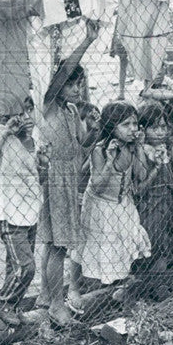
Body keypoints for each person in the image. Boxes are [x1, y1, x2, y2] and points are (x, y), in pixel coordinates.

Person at [37, 18, 101, 326]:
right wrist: (86, 42)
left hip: (69, 179)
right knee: (58, 246)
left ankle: (47, 297)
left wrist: (100, 130)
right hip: (54, 179)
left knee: (56, 245)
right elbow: (63, 70)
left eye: (80, 84)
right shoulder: (49, 104)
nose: (77, 89)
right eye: (72, 84)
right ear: (60, 85)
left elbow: (82, 146)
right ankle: (55, 304)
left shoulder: (74, 111)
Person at [69, 101, 152, 305]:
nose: (133, 128)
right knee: (87, 245)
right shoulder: (101, 149)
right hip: (100, 204)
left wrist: (139, 147)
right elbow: (97, 184)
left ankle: (116, 286)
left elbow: (141, 175)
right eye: (126, 124)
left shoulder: (132, 146)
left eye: (135, 123)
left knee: (125, 242)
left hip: (122, 203)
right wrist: (108, 161)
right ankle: (73, 286)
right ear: (111, 127)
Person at [0, 96, 40, 327]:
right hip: (10, 212)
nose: (26, 118)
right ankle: (1, 302)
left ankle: (11, 306)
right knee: (25, 267)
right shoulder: (0, 133)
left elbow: (36, 175)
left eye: (31, 111)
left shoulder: (35, 139)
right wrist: (6, 132)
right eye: (22, 112)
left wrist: (42, 161)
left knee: (13, 267)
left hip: (31, 211)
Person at [134, 101, 173, 297]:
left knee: (166, 244)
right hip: (150, 205)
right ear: (143, 129)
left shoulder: (166, 147)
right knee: (150, 244)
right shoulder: (143, 151)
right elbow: (141, 180)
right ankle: (143, 286)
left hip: (167, 203)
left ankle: (158, 284)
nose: (160, 131)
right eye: (154, 127)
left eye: (163, 126)